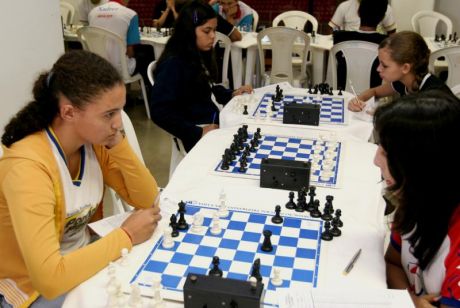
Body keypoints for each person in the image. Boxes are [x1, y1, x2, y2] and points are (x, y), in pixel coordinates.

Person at [0, 50, 161, 308]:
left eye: (120, 110)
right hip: (31, 289)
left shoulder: (93, 144)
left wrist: (118, 143)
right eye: (109, 114)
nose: (118, 122)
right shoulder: (27, 167)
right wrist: (127, 235)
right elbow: (49, 279)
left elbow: (147, 198)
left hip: (84, 259)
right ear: (69, 113)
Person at [373, 90, 460, 307]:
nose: (375, 161)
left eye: (385, 153)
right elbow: (392, 263)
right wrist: (413, 302)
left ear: (419, 166)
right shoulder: (415, 201)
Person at [149, 0, 252, 152]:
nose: (213, 36)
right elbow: (159, 111)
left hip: (212, 121)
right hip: (198, 134)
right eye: (206, 31)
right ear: (189, 30)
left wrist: (231, 93)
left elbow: (205, 89)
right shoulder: (174, 63)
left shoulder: (196, 52)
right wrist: (197, 132)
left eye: (214, 30)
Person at [348, 31, 453, 112]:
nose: (378, 69)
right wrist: (357, 100)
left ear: (405, 68)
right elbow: (374, 91)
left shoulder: (433, 97)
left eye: (384, 65)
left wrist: (383, 114)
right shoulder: (404, 81)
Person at [333, 0, 389, 90]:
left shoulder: (339, 38)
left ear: (358, 12)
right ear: (382, 17)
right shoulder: (386, 42)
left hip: (342, 92)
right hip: (375, 95)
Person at [329, 0, 396, 34]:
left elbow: (392, 32)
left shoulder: (384, 8)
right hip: (348, 49)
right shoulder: (345, 6)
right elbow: (332, 28)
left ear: (358, 13)